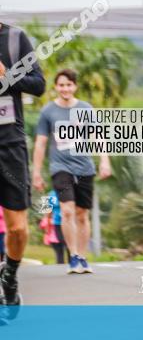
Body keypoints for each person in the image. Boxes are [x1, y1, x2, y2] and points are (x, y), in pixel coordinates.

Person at [32, 69, 111, 275]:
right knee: (67, 211)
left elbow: (98, 137)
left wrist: (104, 161)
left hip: (84, 167)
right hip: (60, 168)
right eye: (61, 85)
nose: (65, 88)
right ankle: (73, 256)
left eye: (69, 85)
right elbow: (41, 144)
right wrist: (37, 173)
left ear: (74, 86)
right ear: (56, 87)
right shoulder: (48, 112)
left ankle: (83, 257)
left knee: (82, 214)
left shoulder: (86, 109)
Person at [0, 22, 46, 307]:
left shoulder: (15, 38)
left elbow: (39, 85)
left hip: (9, 144)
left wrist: (7, 74)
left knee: (18, 228)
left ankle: (10, 276)